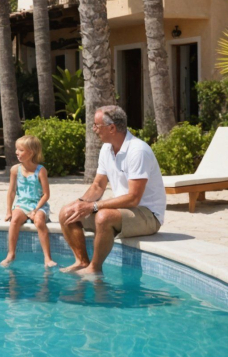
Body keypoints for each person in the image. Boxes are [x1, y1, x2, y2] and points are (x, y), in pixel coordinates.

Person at [59, 105, 166, 275]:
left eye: (96, 125)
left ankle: (95, 268)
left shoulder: (138, 151)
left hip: (148, 215)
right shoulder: (106, 149)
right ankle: (82, 262)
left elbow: (133, 199)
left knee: (104, 217)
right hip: (124, 211)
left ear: (112, 128)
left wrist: (93, 206)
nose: (94, 129)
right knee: (67, 213)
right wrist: (80, 204)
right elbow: (98, 185)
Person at [0, 135, 57, 268]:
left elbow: (46, 195)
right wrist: (9, 211)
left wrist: (36, 210)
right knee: (14, 220)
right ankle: (11, 254)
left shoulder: (41, 170)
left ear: (30, 152)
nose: (16, 152)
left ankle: (47, 258)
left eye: (20, 150)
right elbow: (12, 192)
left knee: (39, 221)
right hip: (22, 205)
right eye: (16, 149)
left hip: (39, 205)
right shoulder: (15, 170)